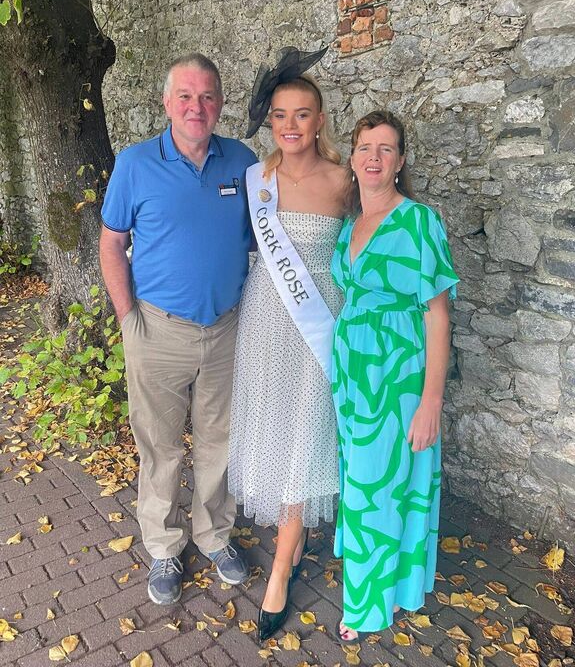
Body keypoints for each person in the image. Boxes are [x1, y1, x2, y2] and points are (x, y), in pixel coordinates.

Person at [99, 53, 257, 605]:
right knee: (160, 447)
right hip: (157, 331)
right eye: (186, 96)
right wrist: (128, 320)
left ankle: (214, 535)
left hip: (226, 330)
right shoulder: (135, 164)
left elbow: (264, 239)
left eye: (207, 96)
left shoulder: (242, 161)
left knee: (219, 441)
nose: (197, 107)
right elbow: (112, 245)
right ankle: (164, 547)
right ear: (167, 103)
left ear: (220, 104)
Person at [228, 47, 346, 640]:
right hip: (264, 325)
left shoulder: (345, 180)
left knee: (305, 437)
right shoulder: (255, 180)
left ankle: (280, 569)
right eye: (280, 115)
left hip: (318, 328)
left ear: (320, 120)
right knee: (274, 432)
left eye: (303, 115)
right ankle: (291, 544)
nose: (291, 126)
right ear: (269, 121)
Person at [330, 110, 459, 641]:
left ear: (401, 161)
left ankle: (363, 607)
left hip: (398, 375)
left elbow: (439, 314)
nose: (374, 158)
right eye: (365, 147)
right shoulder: (348, 225)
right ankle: (395, 582)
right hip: (352, 375)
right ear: (354, 158)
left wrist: (431, 401)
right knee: (368, 484)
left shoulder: (419, 222)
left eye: (386, 149)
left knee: (375, 488)